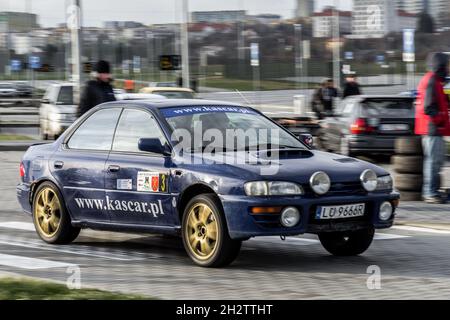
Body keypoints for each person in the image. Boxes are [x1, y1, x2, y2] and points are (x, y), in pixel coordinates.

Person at [415, 52, 450, 204]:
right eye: (447, 65)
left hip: (435, 129)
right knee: (433, 162)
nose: (449, 68)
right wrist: (440, 120)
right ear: (440, 65)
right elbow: (428, 107)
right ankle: (430, 192)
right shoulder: (431, 81)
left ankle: (433, 191)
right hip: (433, 129)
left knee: (436, 162)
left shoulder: (435, 80)